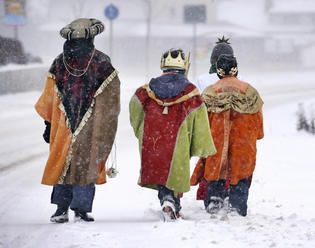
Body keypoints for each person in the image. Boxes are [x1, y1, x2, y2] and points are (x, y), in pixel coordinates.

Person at [35, 18, 120, 223]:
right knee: (86, 164)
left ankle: (61, 209)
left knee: (64, 161)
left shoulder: (59, 62)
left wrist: (49, 124)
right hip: (91, 123)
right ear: (91, 38)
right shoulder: (101, 61)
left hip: (64, 123)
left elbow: (50, 97)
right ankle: (80, 210)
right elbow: (111, 97)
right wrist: (105, 122)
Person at [129, 48, 216, 221]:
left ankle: (167, 199)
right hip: (179, 141)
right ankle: (172, 202)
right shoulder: (190, 91)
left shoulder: (146, 90)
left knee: (161, 170)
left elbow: (135, 109)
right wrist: (198, 143)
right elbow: (200, 120)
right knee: (176, 171)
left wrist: (143, 131)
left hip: (154, 140)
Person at [191, 54, 264, 216]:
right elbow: (259, 129)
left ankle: (214, 202)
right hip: (243, 145)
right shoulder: (250, 92)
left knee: (217, 171)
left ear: (217, 72)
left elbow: (201, 124)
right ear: (236, 70)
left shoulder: (210, 92)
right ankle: (237, 205)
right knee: (241, 173)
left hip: (216, 145)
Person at [193, 36, 235, 206]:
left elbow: (195, 106)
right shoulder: (240, 81)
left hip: (209, 129)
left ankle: (211, 194)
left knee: (210, 162)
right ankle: (227, 192)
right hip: (233, 130)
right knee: (230, 163)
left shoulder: (202, 80)